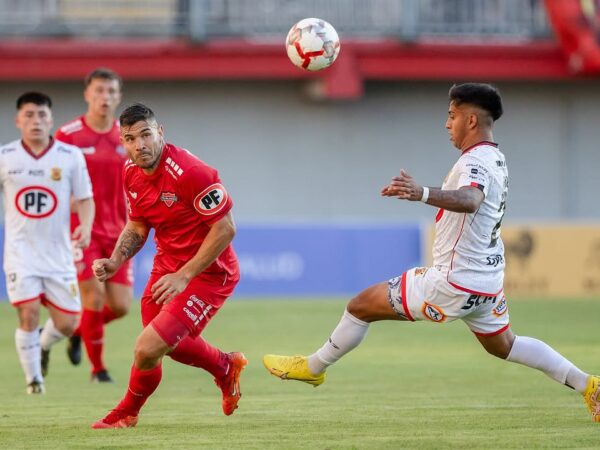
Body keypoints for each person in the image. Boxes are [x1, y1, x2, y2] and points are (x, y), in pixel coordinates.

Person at [263, 83, 600, 423]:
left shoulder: (476, 161)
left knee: (360, 306)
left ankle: (313, 367)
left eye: (451, 116)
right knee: (505, 346)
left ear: (471, 120)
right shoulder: (496, 156)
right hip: (486, 281)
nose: (446, 124)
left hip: (454, 281)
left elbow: (470, 200)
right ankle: (589, 385)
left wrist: (421, 192)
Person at [90, 103, 246, 428]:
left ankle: (126, 413)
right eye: (131, 138)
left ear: (160, 133)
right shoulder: (130, 172)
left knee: (147, 347)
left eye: (146, 135)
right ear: (123, 141)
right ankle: (224, 367)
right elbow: (137, 226)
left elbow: (226, 228)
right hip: (167, 270)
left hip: (208, 274)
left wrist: (184, 275)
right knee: (161, 347)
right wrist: (116, 260)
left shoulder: (191, 172)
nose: (140, 145)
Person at [0, 92, 94, 394]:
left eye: (41, 115)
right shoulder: (5, 157)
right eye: (29, 115)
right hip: (20, 253)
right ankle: (34, 381)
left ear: (51, 119)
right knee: (27, 314)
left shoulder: (69, 156)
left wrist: (87, 227)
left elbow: (85, 198)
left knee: (68, 324)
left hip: (58, 254)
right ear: (18, 121)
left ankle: (42, 343)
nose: (36, 121)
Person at [55, 67, 131, 383]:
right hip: (81, 232)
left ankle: (79, 330)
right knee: (94, 299)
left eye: (111, 92)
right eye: (99, 91)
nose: (105, 97)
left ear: (118, 97)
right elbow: (52, 179)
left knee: (122, 306)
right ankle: (98, 370)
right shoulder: (68, 135)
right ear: (88, 94)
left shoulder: (126, 137)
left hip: (120, 232)